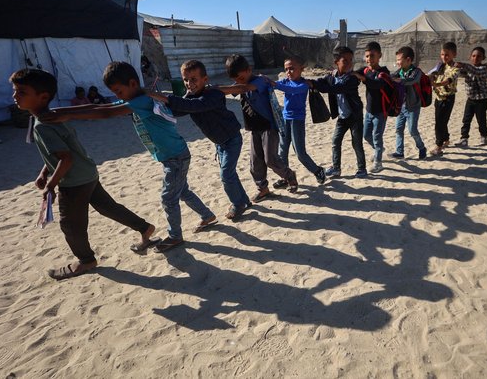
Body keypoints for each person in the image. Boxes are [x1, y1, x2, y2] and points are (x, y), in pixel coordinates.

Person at [42, 62, 215, 253]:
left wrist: (67, 116)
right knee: (181, 191)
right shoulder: (136, 99)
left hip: (175, 157)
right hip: (174, 155)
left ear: (132, 83)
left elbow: (107, 112)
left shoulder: (142, 101)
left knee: (168, 198)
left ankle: (175, 236)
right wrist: (62, 111)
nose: (117, 96)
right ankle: (207, 215)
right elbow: (104, 106)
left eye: (119, 91)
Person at [10, 68, 156, 280]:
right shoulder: (57, 117)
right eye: (15, 91)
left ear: (42, 97)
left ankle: (86, 260)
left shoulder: (43, 125)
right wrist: (44, 172)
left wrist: (51, 185)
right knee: (108, 207)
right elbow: (60, 152)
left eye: (21, 92)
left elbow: (65, 158)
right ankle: (144, 227)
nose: (15, 96)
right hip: (87, 173)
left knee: (70, 225)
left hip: (73, 182)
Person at [147, 60, 252, 221]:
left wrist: (162, 96)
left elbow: (194, 106)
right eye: (186, 80)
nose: (189, 83)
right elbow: (177, 110)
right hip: (220, 143)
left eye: (194, 79)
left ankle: (237, 204)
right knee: (230, 173)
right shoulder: (190, 97)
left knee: (226, 175)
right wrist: (153, 105)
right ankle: (243, 200)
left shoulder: (214, 95)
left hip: (232, 139)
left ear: (205, 79)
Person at [224, 54, 298, 202]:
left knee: (270, 160)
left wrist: (217, 88)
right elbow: (233, 89)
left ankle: (289, 176)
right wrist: (210, 90)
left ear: (249, 70)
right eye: (235, 80)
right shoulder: (240, 83)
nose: (238, 82)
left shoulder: (260, 81)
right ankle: (263, 189)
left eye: (240, 78)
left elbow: (243, 88)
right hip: (254, 128)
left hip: (269, 127)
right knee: (255, 162)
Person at [266, 55, 326, 187]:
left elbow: (292, 90)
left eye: (292, 69)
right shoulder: (285, 81)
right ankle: (285, 176)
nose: (288, 72)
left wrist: (275, 84)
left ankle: (318, 170)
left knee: (300, 153)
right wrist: (264, 80)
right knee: (282, 150)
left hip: (297, 121)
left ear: (302, 69)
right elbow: (276, 86)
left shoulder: (303, 85)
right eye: (286, 69)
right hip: (284, 119)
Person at [308, 46, 366, 178]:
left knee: (356, 143)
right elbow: (321, 81)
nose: (349, 63)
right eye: (345, 60)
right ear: (336, 62)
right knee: (335, 140)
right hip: (342, 116)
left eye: (351, 60)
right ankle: (336, 168)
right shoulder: (332, 76)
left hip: (355, 116)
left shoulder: (352, 78)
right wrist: (311, 82)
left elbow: (336, 89)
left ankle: (362, 169)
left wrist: (317, 86)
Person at [352, 42, 390, 172]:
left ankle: (378, 162)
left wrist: (363, 78)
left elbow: (377, 85)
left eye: (372, 55)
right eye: (367, 56)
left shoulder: (384, 72)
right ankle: (379, 150)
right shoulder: (366, 70)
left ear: (380, 55)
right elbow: (353, 73)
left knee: (377, 137)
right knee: (366, 135)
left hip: (381, 112)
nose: (369, 59)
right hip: (368, 111)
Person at [387, 46, 427, 161]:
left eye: (399, 59)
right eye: (397, 60)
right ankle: (400, 152)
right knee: (398, 129)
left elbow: (412, 81)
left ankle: (422, 148)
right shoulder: (398, 72)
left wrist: (400, 80)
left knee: (412, 130)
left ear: (408, 60)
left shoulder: (416, 72)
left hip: (413, 107)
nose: (397, 62)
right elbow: (391, 78)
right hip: (401, 106)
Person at [455, 47, 487, 147]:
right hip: (470, 99)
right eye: (473, 56)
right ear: (470, 57)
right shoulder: (467, 69)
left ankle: (484, 136)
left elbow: (475, 71)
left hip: (481, 99)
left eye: (479, 56)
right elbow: (459, 73)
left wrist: (463, 65)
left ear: (483, 57)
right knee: (466, 119)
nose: (476, 58)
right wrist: (456, 68)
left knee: (481, 119)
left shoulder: (483, 69)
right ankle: (464, 138)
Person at [429, 42, 460, 156]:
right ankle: (446, 139)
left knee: (440, 123)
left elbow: (449, 80)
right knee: (442, 121)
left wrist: (435, 84)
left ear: (454, 54)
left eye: (447, 55)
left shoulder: (456, 68)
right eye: (442, 54)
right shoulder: (440, 66)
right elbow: (430, 74)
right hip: (438, 98)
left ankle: (438, 146)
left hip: (448, 98)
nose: (444, 57)